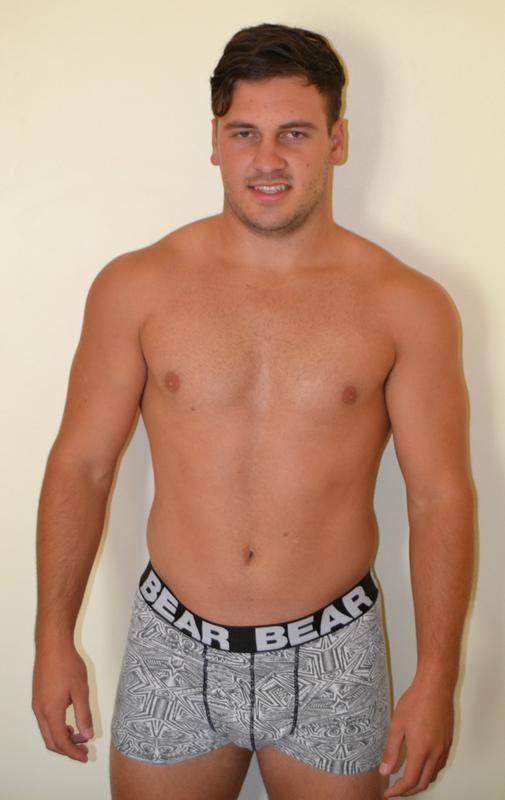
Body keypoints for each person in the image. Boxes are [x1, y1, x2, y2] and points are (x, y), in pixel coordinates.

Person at [32, 21, 475, 800]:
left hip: (334, 648)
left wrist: (436, 676)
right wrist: (51, 638)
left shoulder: (407, 304)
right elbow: (83, 464)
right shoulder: (137, 287)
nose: (267, 160)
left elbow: (438, 496)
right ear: (215, 142)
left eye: (294, 133)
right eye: (244, 133)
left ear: (336, 140)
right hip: (173, 641)